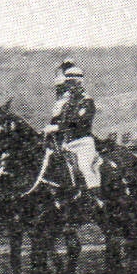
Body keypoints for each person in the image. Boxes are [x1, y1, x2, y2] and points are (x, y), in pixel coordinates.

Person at [46, 61, 102, 191]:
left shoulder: (87, 102)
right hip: (67, 145)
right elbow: (60, 121)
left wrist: (57, 128)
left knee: (84, 168)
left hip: (83, 144)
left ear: (79, 83)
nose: (69, 87)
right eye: (67, 84)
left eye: (71, 84)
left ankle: (96, 198)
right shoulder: (66, 105)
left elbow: (79, 124)